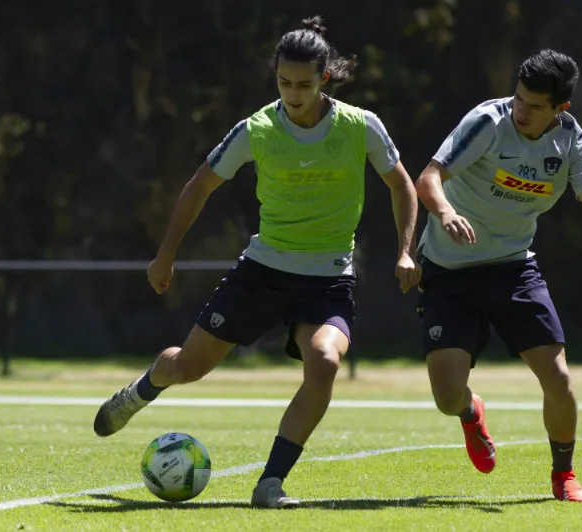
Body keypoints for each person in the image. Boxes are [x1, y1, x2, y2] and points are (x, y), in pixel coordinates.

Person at [92, 16, 420, 509]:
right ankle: (142, 389)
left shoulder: (360, 126)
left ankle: (270, 482)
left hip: (327, 278)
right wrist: (166, 253)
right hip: (261, 273)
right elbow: (199, 185)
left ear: (324, 78)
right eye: (284, 82)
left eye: (304, 84)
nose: (293, 92)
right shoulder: (257, 128)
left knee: (326, 361)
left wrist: (404, 250)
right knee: (188, 367)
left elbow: (402, 184)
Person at [414, 49, 582, 503]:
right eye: (519, 98)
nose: (520, 111)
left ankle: (563, 476)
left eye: (534, 106)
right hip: (450, 271)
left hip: (513, 268)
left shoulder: (568, 138)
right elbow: (428, 178)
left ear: (560, 109)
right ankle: (472, 413)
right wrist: (446, 211)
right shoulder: (488, 121)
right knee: (447, 397)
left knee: (558, 377)